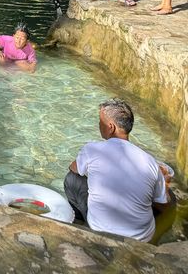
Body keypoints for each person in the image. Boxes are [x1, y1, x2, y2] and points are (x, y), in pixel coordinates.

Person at [64, 98, 175, 243]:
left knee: (72, 179)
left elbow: (73, 168)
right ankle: (157, 243)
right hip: (142, 238)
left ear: (111, 127)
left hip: (101, 231)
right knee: (168, 198)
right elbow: (163, 204)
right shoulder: (150, 162)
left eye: (100, 121)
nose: (98, 124)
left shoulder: (92, 149)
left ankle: (79, 222)